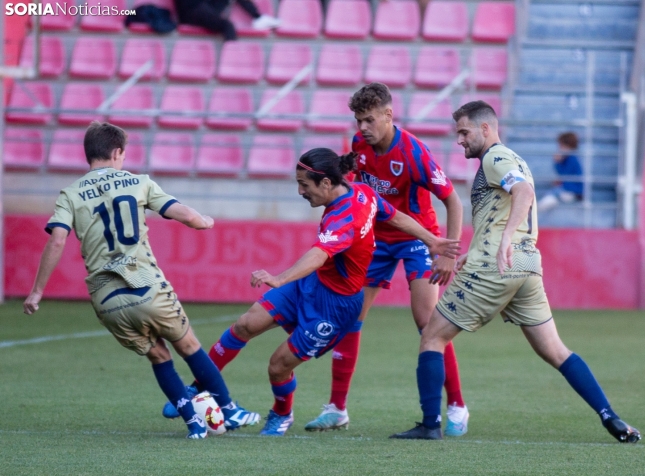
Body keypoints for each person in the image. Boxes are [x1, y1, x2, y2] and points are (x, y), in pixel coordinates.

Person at [390, 101, 641, 443]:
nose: (460, 140)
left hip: (498, 263)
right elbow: (503, 206)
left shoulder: (495, 158)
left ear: (485, 129)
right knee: (555, 350)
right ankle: (610, 416)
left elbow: (523, 192)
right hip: (526, 265)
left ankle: (430, 423)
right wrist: (474, 252)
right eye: (457, 133)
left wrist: (504, 238)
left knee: (432, 336)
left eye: (464, 132)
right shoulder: (515, 159)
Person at [164, 148, 461, 436]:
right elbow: (394, 215)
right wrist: (431, 239)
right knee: (244, 324)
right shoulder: (363, 193)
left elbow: (319, 255)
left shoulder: (345, 217)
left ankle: (282, 414)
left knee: (278, 366)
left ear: (327, 183)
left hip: (335, 307)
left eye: (304, 185)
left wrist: (280, 278)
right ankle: (199, 385)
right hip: (310, 285)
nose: (300, 191)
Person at [22, 122, 258, 439]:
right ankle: (229, 409)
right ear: (117, 152)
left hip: (106, 299)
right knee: (188, 345)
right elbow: (184, 214)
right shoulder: (138, 182)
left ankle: (194, 424)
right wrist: (204, 221)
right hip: (145, 285)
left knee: (158, 355)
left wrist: (37, 292)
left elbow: (57, 241)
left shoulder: (70, 194)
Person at [301, 82, 469, 436]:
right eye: (358, 120)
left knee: (428, 323)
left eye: (369, 119)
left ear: (389, 115)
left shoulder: (413, 153)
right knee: (350, 315)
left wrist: (448, 252)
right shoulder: (358, 146)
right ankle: (337, 408)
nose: (362, 127)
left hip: (417, 238)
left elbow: (453, 200)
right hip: (375, 239)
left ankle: (456, 405)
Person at [174, 0, 280, 40]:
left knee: (227, 25)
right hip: (191, 13)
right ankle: (231, 58)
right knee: (228, 26)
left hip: (202, 7)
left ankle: (258, 17)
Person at [537, 132, 583, 213]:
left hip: (574, 192)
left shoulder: (572, 158)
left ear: (567, 146)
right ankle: (536, 211)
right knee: (552, 194)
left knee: (554, 193)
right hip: (568, 190)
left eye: (561, 145)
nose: (559, 148)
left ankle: (535, 211)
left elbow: (564, 175)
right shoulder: (571, 158)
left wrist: (558, 162)